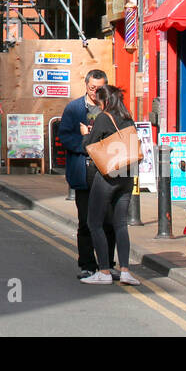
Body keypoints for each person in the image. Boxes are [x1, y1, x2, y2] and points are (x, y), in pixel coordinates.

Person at [80, 85, 142, 286]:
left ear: (105, 101)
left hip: (109, 176)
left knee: (95, 222)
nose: (98, 105)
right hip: (127, 175)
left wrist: (84, 133)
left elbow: (89, 145)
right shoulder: (128, 118)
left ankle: (104, 271)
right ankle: (125, 271)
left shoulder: (104, 118)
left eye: (99, 102)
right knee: (120, 224)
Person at [59, 69, 116, 280]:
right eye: (92, 88)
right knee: (86, 222)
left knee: (108, 222)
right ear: (86, 85)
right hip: (82, 174)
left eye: (99, 89)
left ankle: (107, 264)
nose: (95, 92)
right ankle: (87, 264)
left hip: (107, 174)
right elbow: (64, 135)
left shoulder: (112, 108)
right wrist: (88, 146)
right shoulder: (74, 108)